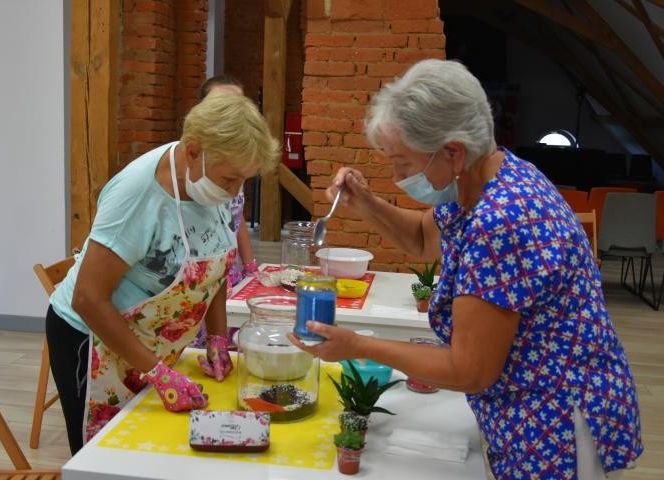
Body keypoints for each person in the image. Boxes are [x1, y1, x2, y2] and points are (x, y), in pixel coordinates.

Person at [288, 59, 642, 479]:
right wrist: (364, 202)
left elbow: (470, 370)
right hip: (534, 408)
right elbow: (422, 238)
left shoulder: (502, 219)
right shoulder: (484, 178)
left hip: (556, 424)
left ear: (454, 151)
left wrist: (360, 346)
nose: (398, 176)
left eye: (403, 162)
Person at [47, 91, 279, 454]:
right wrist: (157, 372)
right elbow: (88, 298)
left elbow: (214, 266)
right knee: (108, 459)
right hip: (92, 340)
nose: (235, 192)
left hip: (150, 343)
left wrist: (218, 339)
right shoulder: (139, 193)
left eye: (243, 182)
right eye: (230, 179)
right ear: (192, 152)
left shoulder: (209, 184)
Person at [190, 75, 259, 350]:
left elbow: (236, 215)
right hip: (198, 277)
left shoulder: (235, 164)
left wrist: (250, 266)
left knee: (228, 347)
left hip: (227, 271)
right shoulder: (195, 166)